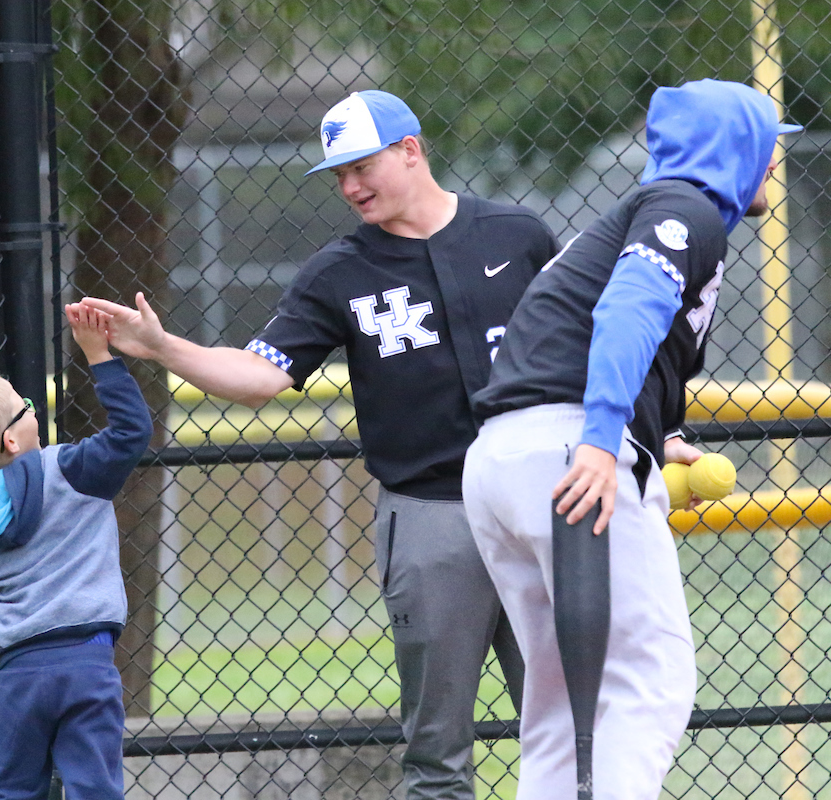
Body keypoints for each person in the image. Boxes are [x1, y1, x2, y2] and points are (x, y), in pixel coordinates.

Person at [76, 89, 559, 799]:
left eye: (362, 166)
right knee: (438, 752)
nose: (350, 186)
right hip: (431, 512)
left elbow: (583, 347)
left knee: (566, 728)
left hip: (536, 502)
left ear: (411, 150)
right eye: (338, 174)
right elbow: (258, 378)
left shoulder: (517, 234)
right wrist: (160, 346)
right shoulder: (340, 271)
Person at [462, 78, 803, 799]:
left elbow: (604, 331)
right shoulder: (688, 209)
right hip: (571, 450)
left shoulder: (648, 212)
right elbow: (628, 310)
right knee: (650, 678)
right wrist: (601, 436)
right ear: (733, 148)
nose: (776, 160)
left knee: (559, 708)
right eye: (766, 143)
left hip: (505, 459)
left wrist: (658, 434)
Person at [0, 304, 153, 800]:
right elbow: (132, 432)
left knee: (10, 789)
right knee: (95, 788)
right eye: (25, 406)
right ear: (13, 437)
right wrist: (99, 354)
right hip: (86, 665)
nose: (32, 406)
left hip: (18, 674)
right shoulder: (71, 470)